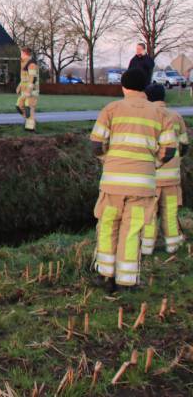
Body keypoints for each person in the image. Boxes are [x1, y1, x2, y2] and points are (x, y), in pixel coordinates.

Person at [89, 69, 177, 292]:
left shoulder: (111, 109)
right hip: (143, 185)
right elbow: (169, 151)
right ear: (146, 87)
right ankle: (127, 281)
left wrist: (109, 161)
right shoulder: (160, 114)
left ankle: (105, 275)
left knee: (108, 226)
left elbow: (96, 144)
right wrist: (150, 166)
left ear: (123, 86)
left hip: (112, 184)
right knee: (132, 230)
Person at [142, 83, 189, 255]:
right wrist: (176, 162)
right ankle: (172, 247)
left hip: (150, 178)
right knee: (170, 213)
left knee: (149, 214)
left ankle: (146, 249)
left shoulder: (145, 116)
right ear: (164, 97)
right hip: (172, 178)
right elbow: (184, 145)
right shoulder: (176, 116)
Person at [15, 46, 39, 131]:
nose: (20, 55)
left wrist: (29, 90)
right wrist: (19, 86)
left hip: (31, 91)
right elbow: (24, 78)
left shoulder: (31, 64)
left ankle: (30, 128)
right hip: (24, 90)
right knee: (19, 106)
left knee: (29, 108)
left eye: (21, 53)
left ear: (25, 53)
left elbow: (33, 78)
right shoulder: (24, 63)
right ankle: (30, 120)